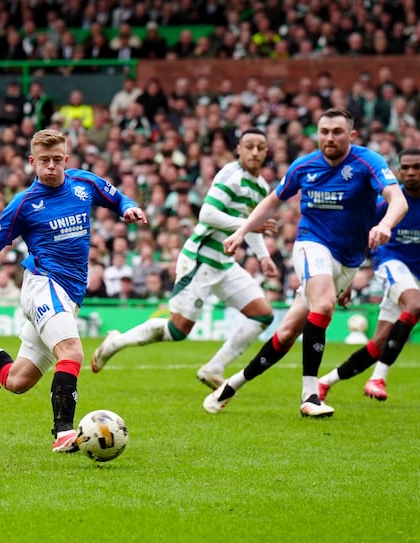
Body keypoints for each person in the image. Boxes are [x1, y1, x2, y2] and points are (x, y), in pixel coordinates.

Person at [0, 129, 147, 453]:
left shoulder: (84, 183)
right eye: (44, 161)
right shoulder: (24, 204)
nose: (51, 166)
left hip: (70, 293)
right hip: (43, 284)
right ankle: (64, 432)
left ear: (66, 160)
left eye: (57, 160)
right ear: (32, 162)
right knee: (71, 352)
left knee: (17, 381)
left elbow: (117, 197)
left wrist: (128, 208)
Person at [203, 108, 408, 418]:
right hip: (311, 244)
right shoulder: (304, 166)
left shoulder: (368, 162)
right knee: (323, 306)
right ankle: (310, 395)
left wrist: (386, 224)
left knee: (286, 334)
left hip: (348, 261)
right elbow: (272, 201)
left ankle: (230, 385)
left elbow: (398, 199)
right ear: (317, 133)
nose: (329, 137)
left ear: (351, 135)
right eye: (324, 131)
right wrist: (242, 230)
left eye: (337, 131)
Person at [91, 128, 278, 389]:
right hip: (200, 260)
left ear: (267, 152)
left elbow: (250, 227)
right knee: (177, 330)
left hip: (224, 264)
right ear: (238, 149)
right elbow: (208, 215)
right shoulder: (231, 175)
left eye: (260, 147)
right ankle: (116, 342)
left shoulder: (260, 186)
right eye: (249, 146)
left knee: (263, 315)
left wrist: (263, 256)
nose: (255, 152)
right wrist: (248, 224)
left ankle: (213, 369)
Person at [318, 148, 420, 402]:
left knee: (379, 342)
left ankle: (325, 382)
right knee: (415, 305)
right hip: (392, 264)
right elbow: (360, 238)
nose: (410, 172)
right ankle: (378, 378)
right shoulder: (387, 204)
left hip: (413, 278)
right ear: (397, 171)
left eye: (416, 167)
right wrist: (349, 279)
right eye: (405, 167)